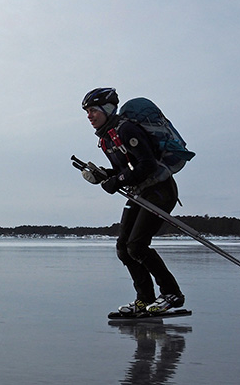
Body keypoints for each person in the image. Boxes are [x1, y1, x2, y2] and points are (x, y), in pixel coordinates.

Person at [80, 87, 185, 315]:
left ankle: (171, 294)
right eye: (87, 111)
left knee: (137, 245)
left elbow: (147, 164)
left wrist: (116, 180)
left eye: (93, 110)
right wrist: (104, 176)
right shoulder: (107, 138)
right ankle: (144, 299)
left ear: (107, 109)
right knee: (124, 248)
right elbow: (123, 169)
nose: (89, 115)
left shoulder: (126, 129)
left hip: (160, 190)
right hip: (141, 192)